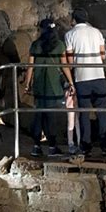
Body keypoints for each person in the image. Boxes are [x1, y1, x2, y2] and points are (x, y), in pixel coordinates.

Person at [65, 8, 106, 156]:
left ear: (74, 19)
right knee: (102, 111)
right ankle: (105, 144)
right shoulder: (96, 32)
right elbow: (103, 55)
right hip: (98, 75)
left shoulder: (70, 34)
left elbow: (71, 60)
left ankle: (86, 145)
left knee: (84, 112)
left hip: (82, 77)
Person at [24, 19, 75, 158]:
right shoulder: (59, 45)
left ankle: (36, 146)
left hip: (39, 85)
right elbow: (64, 66)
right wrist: (71, 82)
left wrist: (27, 84)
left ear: (41, 30)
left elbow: (30, 67)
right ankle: (52, 147)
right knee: (51, 116)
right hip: (53, 86)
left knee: (39, 115)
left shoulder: (35, 45)